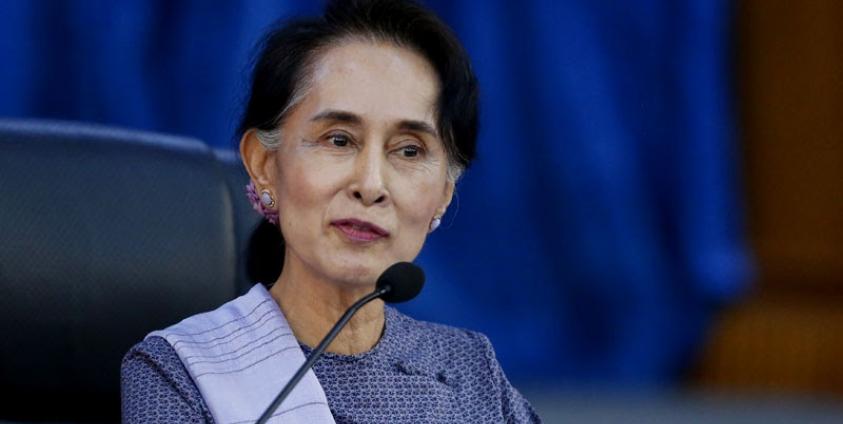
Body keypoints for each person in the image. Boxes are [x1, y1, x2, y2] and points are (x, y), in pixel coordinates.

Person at [121, 0, 541, 422]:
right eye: (339, 140)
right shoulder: (180, 374)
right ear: (264, 164)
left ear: (444, 193)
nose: (371, 185)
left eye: (409, 151)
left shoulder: (470, 369)